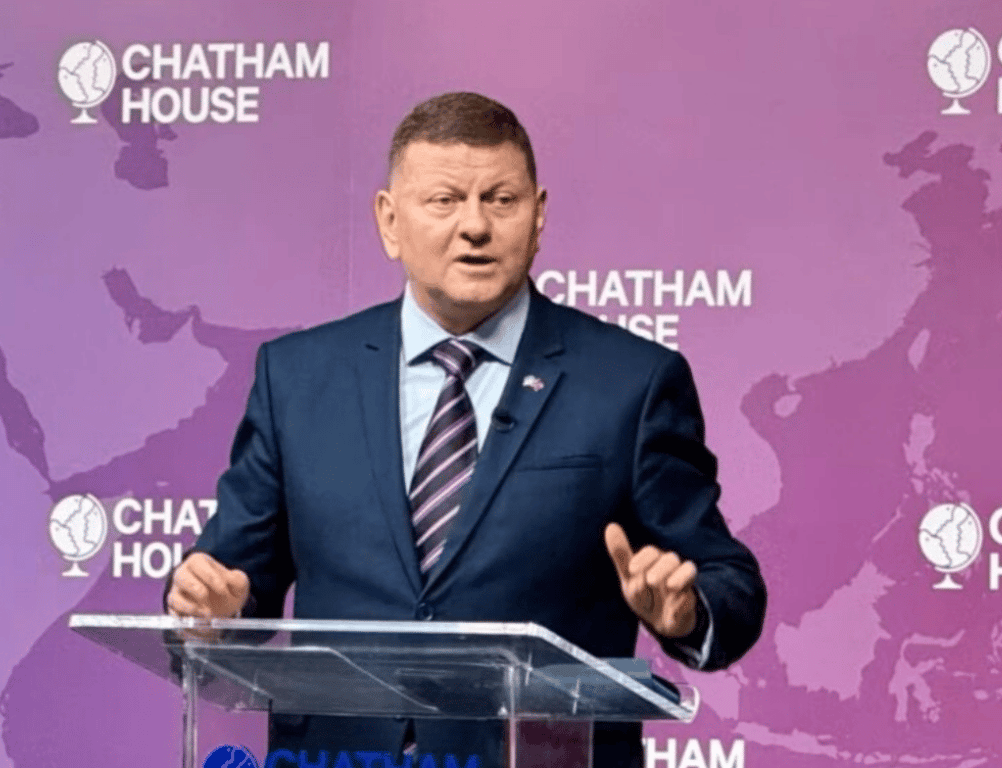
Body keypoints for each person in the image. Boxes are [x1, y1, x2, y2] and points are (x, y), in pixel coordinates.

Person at [166, 92, 765, 768]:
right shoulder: (298, 378)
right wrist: (210, 611)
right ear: (389, 221)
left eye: (500, 200)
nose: (474, 226)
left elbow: (730, 584)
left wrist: (686, 611)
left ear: (538, 217)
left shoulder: (632, 383)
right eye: (444, 201)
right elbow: (230, 577)